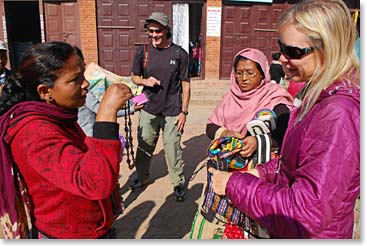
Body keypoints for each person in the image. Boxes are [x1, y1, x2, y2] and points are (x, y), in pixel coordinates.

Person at [208, 0, 359, 239]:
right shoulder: (315, 94)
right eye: (281, 48)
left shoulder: (337, 114)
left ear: (327, 49)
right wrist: (262, 173)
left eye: (294, 52)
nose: (282, 60)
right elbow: (296, 164)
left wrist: (234, 185)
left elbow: (305, 212)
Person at [0, 41, 133, 239]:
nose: (85, 84)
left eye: (83, 76)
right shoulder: (34, 131)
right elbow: (94, 182)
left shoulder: (57, 115)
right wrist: (106, 115)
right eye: (75, 80)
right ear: (46, 92)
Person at [191, 48, 293, 239]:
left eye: (250, 73)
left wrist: (259, 141)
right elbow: (210, 126)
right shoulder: (229, 97)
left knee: (253, 219)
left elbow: (285, 125)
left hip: (259, 171)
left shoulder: (273, 95)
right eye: (239, 73)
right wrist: (224, 132)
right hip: (228, 168)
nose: (244, 78)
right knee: (224, 215)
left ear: (263, 73)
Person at [130, 12, 190, 201]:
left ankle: (178, 183)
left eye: (158, 31)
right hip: (148, 108)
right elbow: (134, 77)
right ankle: (142, 177)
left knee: (172, 147)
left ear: (166, 31)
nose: (154, 35)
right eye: (151, 31)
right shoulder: (143, 52)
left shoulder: (180, 54)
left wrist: (184, 112)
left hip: (172, 109)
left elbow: (186, 84)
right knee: (144, 145)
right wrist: (146, 82)